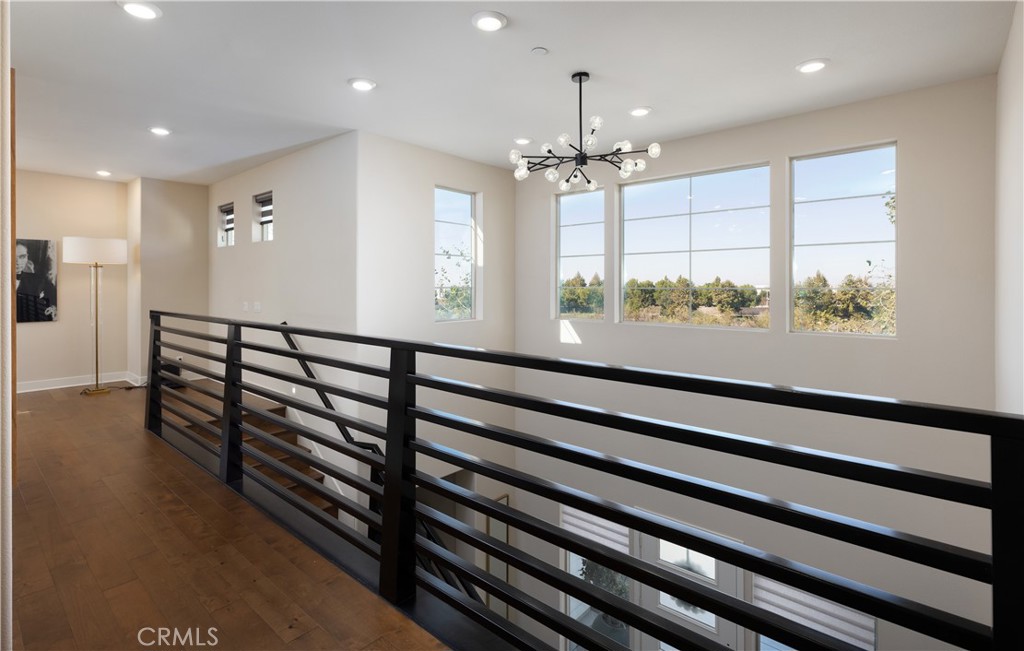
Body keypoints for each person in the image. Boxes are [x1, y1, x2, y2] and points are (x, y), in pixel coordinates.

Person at [16, 240, 56, 321]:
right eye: (12, 257)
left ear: (27, 257)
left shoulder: (39, 279)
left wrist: (53, 308)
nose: (18, 262)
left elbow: (55, 297)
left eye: (22, 256)